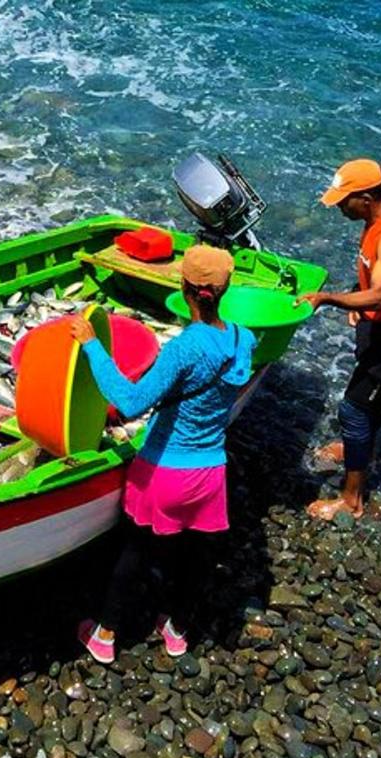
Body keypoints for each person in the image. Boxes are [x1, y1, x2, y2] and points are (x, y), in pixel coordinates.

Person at [70, 244, 254, 662]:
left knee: (135, 555)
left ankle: (105, 635)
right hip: (210, 472)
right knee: (194, 558)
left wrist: (92, 345)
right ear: (223, 290)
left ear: (184, 286)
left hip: (165, 472)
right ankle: (176, 631)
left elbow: (131, 401)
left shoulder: (184, 349)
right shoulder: (245, 339)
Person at [296, 159, 381, 521]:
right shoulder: (378, 218)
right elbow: (376, 285)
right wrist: (359, 292)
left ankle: (352, 500)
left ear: (366, 198)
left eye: (344, 200)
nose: (338, 206)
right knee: (370, 398)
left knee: (353, 410)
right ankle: (361, 450)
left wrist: (329, 298)